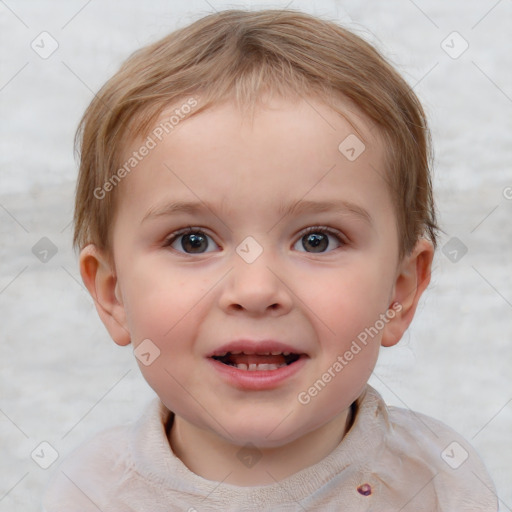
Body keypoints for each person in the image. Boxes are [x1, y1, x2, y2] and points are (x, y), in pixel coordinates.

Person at [43, 8, 497, 511]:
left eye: (317, 240)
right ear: (112, 293)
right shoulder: (91, 494)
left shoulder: (442, 484)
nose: (256, 290)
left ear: (401, 290)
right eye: (192, 241)